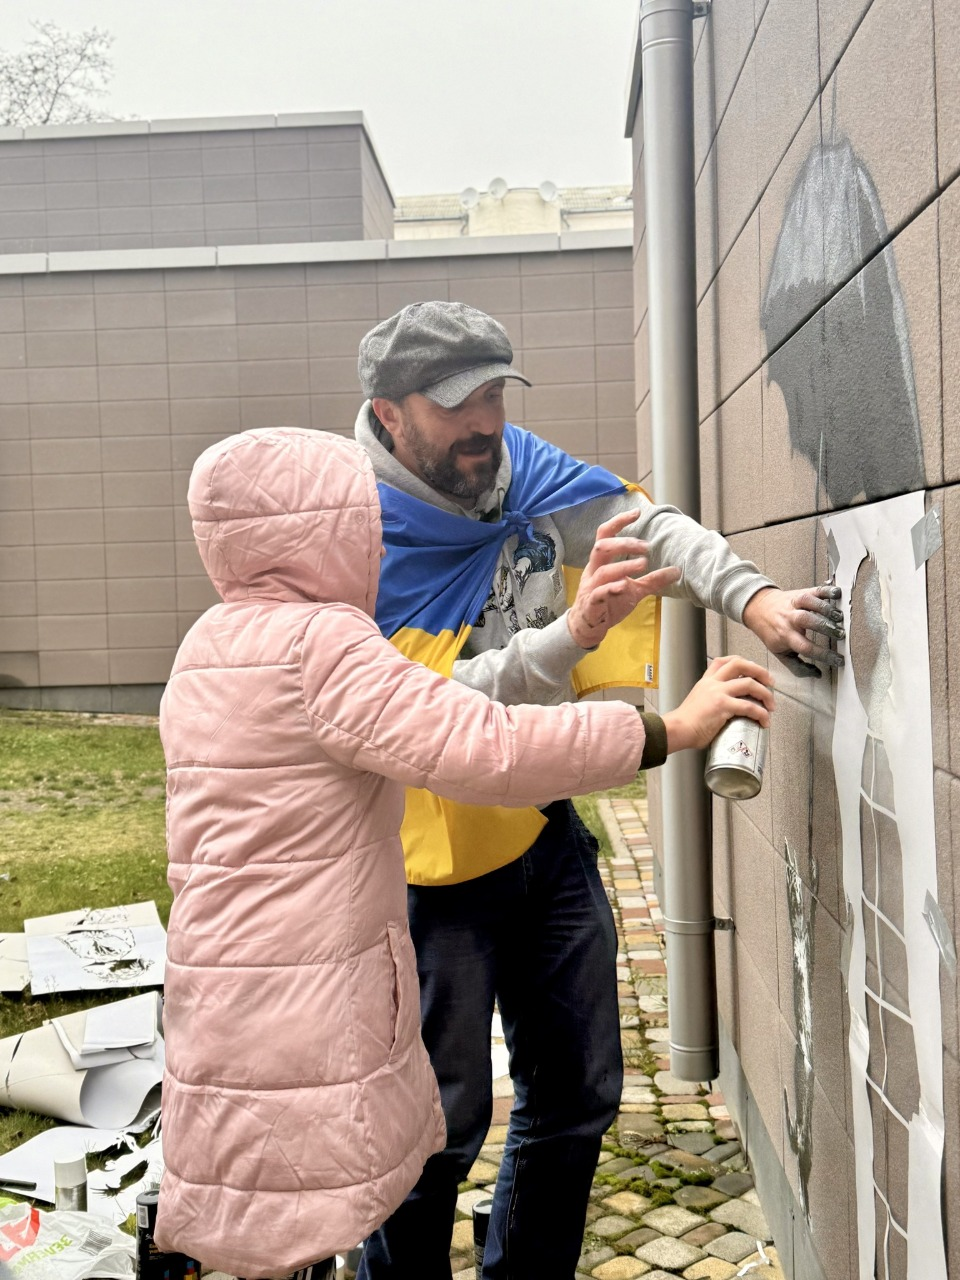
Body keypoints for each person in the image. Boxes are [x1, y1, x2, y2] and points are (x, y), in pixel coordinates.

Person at [154, 425, 774, 1280]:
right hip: (322, 983)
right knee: (387, 1163)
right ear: (321, 530)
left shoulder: (207, 649)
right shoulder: (322, 647)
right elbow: (483, 745)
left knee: (286, 1192)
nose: (376, 540)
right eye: (361, 525)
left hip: (233, 991)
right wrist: (670, 730)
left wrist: (582, 629)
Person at [352, 301, 845, 1280]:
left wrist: (753, 596)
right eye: (459, 403)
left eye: (496, 391)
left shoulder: (510, 465)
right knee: (429, 1132)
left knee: (575, 1094)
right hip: (426, 864)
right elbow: (429, 716)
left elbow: (644, 526)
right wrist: (572, 638)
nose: (487, 420)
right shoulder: (352, 528)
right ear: (388, 412)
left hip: (540, 832)